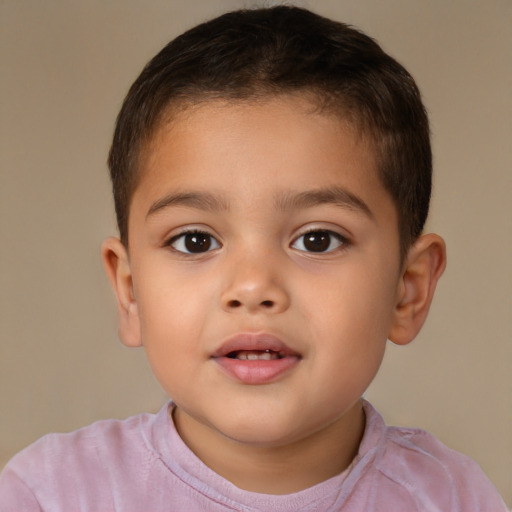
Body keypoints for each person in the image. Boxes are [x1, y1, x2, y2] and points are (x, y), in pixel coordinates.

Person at [0, 5, 507, 511]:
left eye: (317, 240)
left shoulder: (453, 497)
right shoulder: (50, 494)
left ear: (408, 289)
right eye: (195, 241)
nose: (252, 286)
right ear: (130, 293)